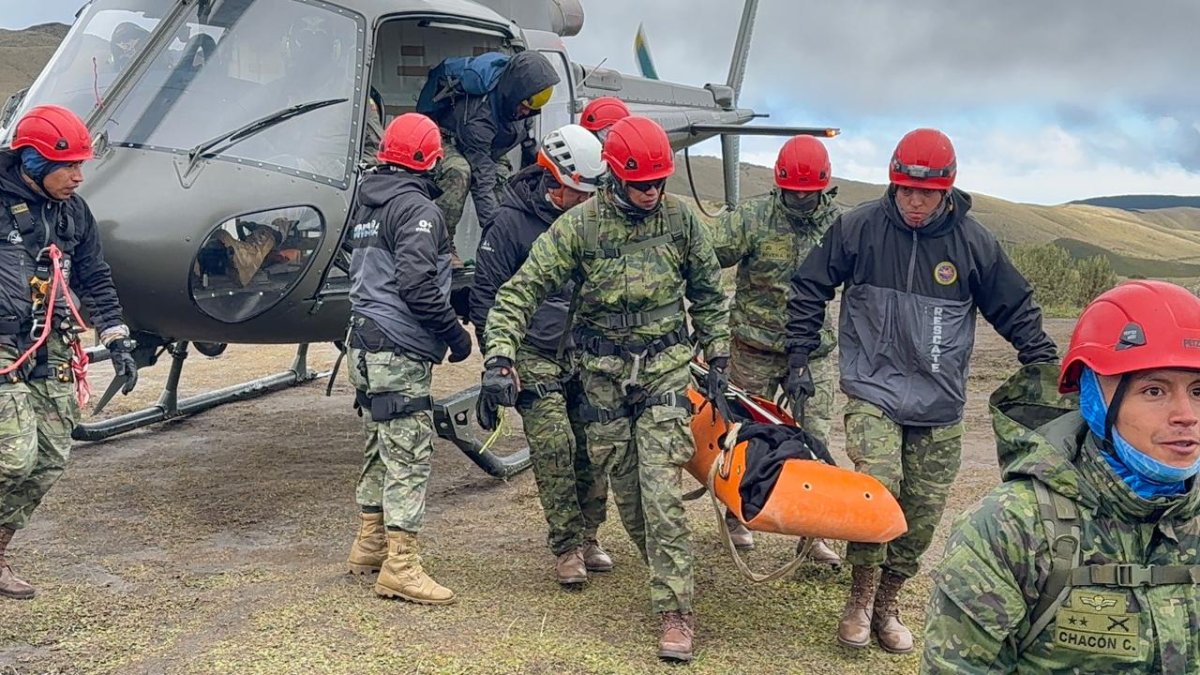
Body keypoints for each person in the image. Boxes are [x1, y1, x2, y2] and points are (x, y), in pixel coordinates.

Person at [784, 127, 1058, 652]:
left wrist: (1043, 362)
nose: (915, 202)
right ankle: (860, 597)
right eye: (907, 190)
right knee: (877, 488)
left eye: (926, 193)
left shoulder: (973, 243)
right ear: (893, 183)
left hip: (940, 400)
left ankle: (888, 602)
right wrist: (799, 353)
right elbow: (810, 285)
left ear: (946, 189)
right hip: (873, 389)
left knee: (922, 510)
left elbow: (1014, 307)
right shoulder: (858, 228)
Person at [479, 116, 730, 662]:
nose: (652, 193)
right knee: (633, 503)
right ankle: (660, 569)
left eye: (659, 182)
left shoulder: (680, 222)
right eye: (641, 184)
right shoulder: (580, 228)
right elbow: (518, 293)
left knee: (661, 494)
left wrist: (718, 351)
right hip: (605, 383)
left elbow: (710, 293)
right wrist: (499, 356)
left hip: (664, 371)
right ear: (615, 176)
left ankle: (676, 611)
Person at [923, 280, 1200, 673]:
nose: (1186, 415)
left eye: (1199, 391)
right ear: (1094, 399)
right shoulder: (1012, 527)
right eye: (1154, 391)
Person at [0, 105, 139, 599]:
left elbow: (94, 275)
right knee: (14, 455)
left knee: (50, 458)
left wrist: (117, 337)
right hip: (3, 342)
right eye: (68, 166)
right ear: (33, 162)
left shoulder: (74, 213)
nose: (78, 176)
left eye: (81, 165)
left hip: (51, 342)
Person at [471, 124, 612, 586]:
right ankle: (567, 546)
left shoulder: (593, 220)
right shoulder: (508, 224)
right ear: (553, 180)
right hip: (532, 352)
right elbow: (487, 298)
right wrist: (497, 363)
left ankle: (590, 535)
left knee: (593, 446)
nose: (587, 201)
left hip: (584, 351)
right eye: (579, 193)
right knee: (555, 446)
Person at [343, 113, 472, 605]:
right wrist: (455, 335)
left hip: (363, 341)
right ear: (431, 159)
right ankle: (401, 566)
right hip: (398, 346)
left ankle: (370, 544)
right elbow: (416, 284)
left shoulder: (367, 204)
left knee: (379, 443)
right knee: (410, 453)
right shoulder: (419, 209)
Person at [707, 134, 841, 563]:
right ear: (779, 184)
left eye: (808, 194)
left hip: (813, 352)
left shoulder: (838, 225)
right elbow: (705, 258)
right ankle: (737, 515)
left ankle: (813, 530)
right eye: (792, 193)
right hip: (754, 348)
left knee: (815, 436)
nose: (800, 200)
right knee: (744, 435)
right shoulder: (752, 219)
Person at [428, 50, 559, 263]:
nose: (526, 113)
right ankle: (440, 244)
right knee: (460, 172)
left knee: (505, 184)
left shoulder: (522, 102)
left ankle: (508, 247)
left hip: (490, 148)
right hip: (449, 139)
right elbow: (483, 182)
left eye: (530, 109)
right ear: (516, 94)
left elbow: (528, 144)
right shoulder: (480, 117)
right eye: (524, 107)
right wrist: (496, 237)